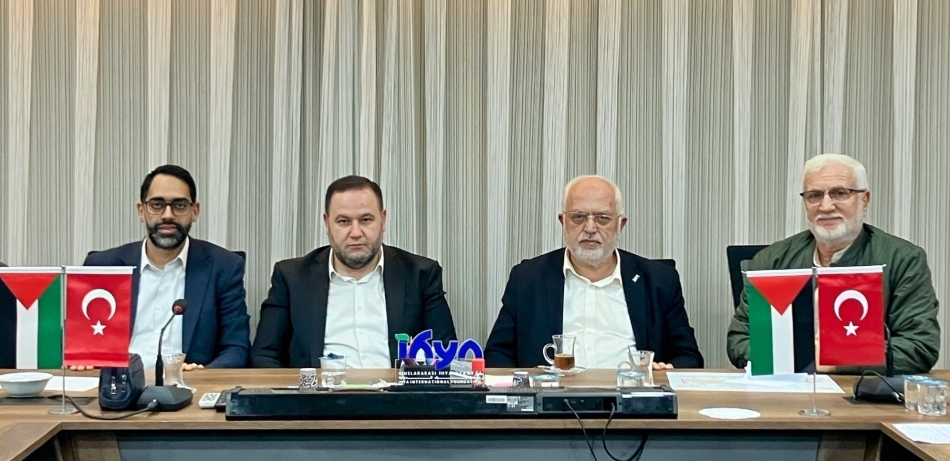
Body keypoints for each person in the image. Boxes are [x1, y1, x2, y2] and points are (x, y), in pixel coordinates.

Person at [727, 153, 940, 374]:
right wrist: (797, 359)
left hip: (861, 388)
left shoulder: (903, 259)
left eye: (840, 193)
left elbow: (919, 346)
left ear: (864, 200)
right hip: (787, 387)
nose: (826, 206)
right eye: (815, 195)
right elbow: (740, 340)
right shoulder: (771, 260)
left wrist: (832, 361)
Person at [485, 175, 704, 369]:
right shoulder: (527, 278)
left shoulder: (659, 280)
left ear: (621, 224)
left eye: (602, 218)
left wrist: (663, 371)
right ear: (563, 221)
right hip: (552, 398)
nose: (590, 229)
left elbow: (688, 356)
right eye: (579, 217)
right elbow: (497, 354)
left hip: (632, 397)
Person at [251, 175, 457, 368]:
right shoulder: (292, 277)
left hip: (396, 393)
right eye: (344, 221)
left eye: (366, 220)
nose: (356, 233)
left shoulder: (420, 274)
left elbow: (445, 354)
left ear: (383, 220)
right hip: (319, 393)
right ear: (327, 223)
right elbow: (265, 355)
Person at [83, 165, 250, 369]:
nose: (168, 215)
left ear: (195, 211)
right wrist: (82, 362)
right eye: (157, 205)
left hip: (186, 384)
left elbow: (236, 347)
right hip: (117, 384)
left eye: (179, 205)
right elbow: (80, 341)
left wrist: (203, 375)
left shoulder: (223, 267)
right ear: (141, 211)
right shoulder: (103, 266)